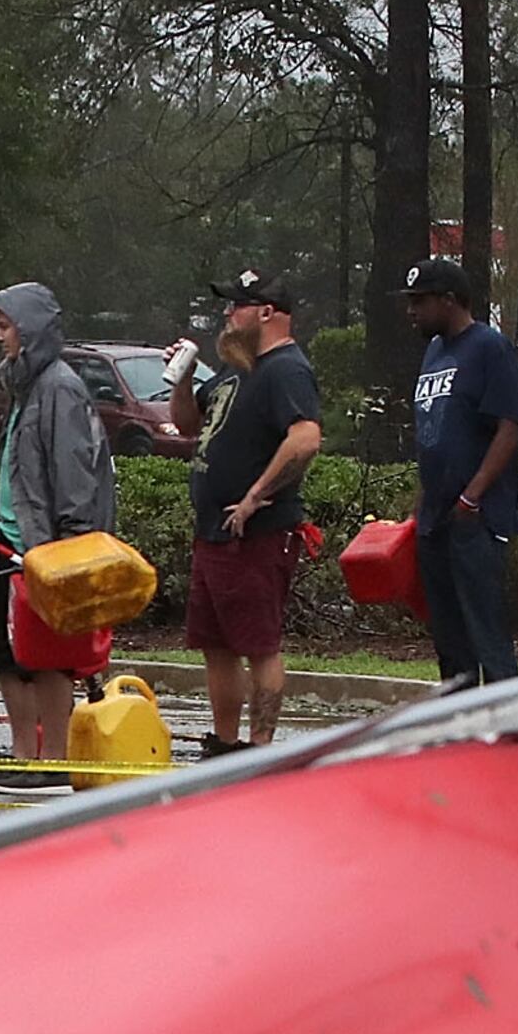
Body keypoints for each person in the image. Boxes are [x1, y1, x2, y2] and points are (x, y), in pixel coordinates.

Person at [169, 269, 324, 749]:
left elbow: (305, 438)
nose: (226, 314)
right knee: (215, 645)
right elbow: (188, 424)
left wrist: (256, 495)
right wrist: (182, 380)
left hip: (257, 534)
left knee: (258, 645)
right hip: (214, 532)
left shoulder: (286, 369)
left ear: (266, 313)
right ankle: (225, 743)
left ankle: (259, 751)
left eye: (236, 306)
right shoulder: (236, 368)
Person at [0, 280, 113, 789]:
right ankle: (22, 754)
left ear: (30, 329)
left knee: (50, 658)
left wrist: (72, 545)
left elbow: (75, 471)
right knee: (6, 655)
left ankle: (53, 758)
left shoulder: (60, 387)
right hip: (8, 539)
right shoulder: (25, 386)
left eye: (5, 326)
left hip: (47, 545)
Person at [404, 258, 518, 689]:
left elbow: (510, 427)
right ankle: (459, 734)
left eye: (420, 301)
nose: (412, 311)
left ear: (450, 300)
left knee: (487, 634)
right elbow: (436, 431)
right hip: (437, 516)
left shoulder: (489, 347)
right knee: (449, 640)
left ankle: (507, 733)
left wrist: (472, 496)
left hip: (475, 518)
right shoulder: (434, 351)